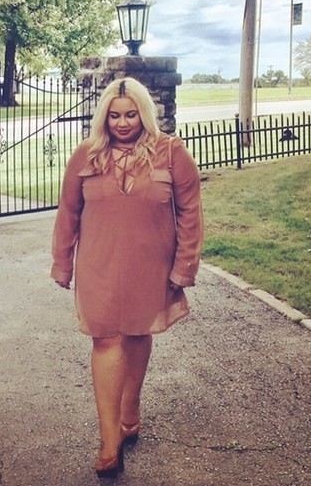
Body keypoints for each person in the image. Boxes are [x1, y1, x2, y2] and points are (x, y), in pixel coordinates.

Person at [50, 76, 204, 478]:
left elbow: (190, 212)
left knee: (137, 334)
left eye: (130, 115)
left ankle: (130, 409)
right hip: (98, 265)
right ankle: (109, 442)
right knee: (105, 340)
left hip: (151, 265)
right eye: (115, 116)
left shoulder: (171, 153)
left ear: (143, 114)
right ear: (104, 117)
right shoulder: (86, 155)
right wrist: (62, 262)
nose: (122, 123)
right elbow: (68, 212)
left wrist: (184, 266)